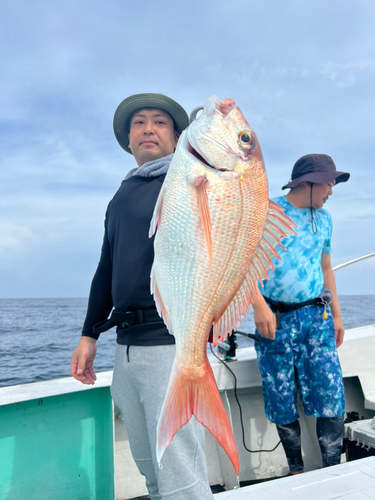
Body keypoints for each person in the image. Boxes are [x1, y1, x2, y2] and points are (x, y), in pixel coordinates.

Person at [71, 93, 214, 500]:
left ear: (178, 136)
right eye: (139, 123)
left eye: (160, 122)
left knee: (180, 473)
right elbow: (106, 268)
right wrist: (89, 334)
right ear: (128, 139)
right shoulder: (122, 195)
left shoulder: (189, 181)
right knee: (150, 468)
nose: (148, 129)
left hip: (171, 344)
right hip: (127, 348)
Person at [251, 154, 350, 475]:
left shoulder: (325, 220)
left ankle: (332, 469)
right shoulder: (265, 212)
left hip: (316, 320)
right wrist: (259, 306)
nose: (331, 191)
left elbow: (326, 269)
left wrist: (336, 316)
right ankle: (296, 468)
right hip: (274, 321)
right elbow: (243, 264)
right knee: (280, 397)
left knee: (330, 393)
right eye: (328, 183)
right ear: (307, 182)